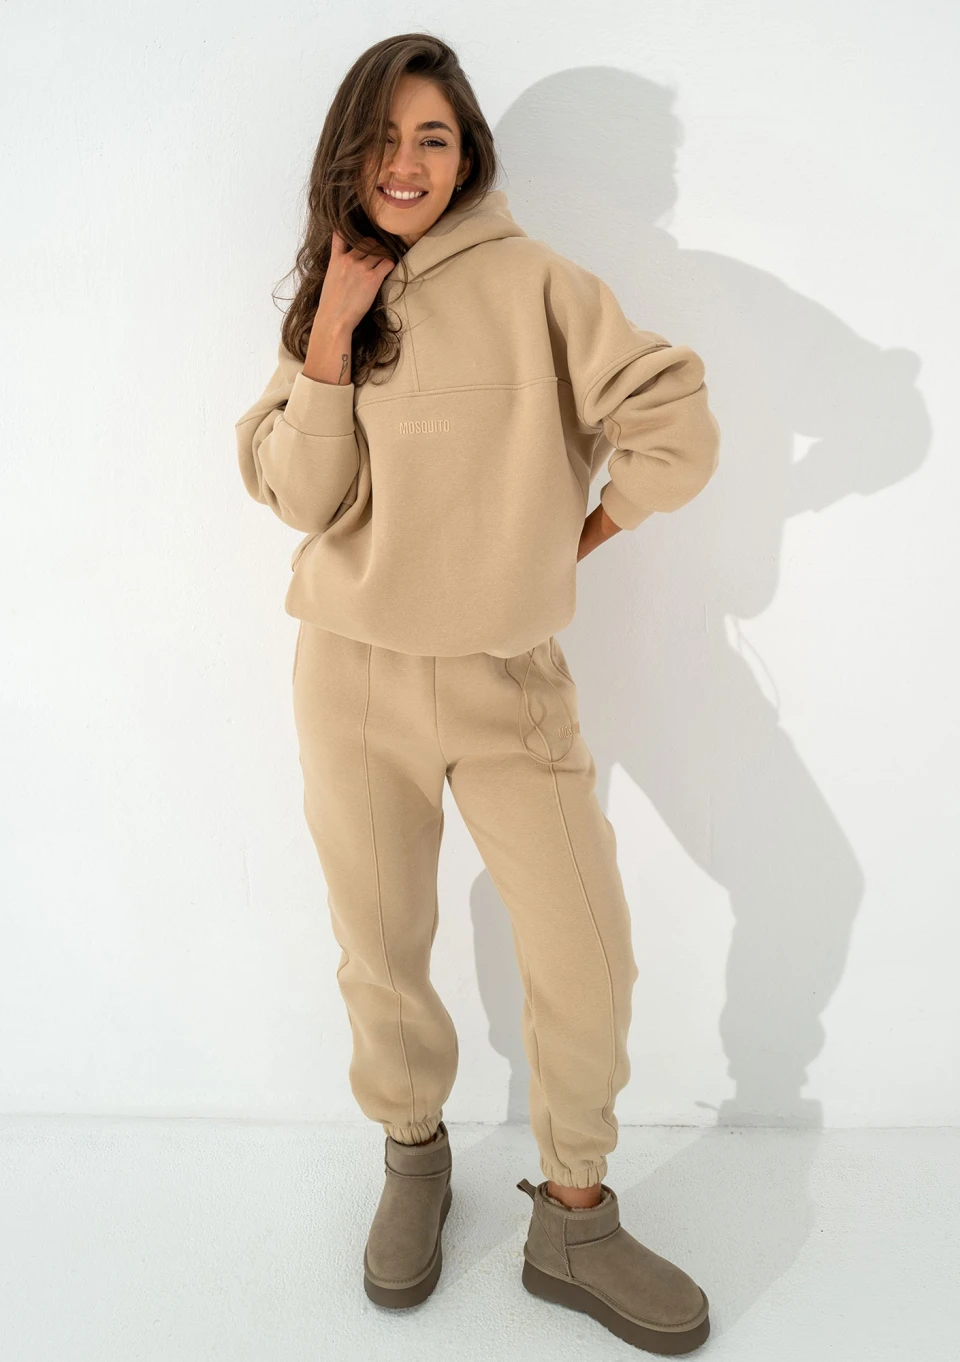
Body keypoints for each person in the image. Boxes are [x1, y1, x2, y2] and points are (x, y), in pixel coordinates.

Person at [235, 32, 719, 1356]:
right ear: (350, 153)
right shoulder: (335, 293)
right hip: (353, 675)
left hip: (513, 680)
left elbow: (676, 427)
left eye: (433, 137)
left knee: (586, 952)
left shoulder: (542, 285)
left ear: (469, 154)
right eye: (384, 139)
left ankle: (576, 1214)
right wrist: (332, 333)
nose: (406, 163)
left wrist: (583, 533)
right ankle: (414, 1155)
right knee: (382, 942)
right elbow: (300, 495)